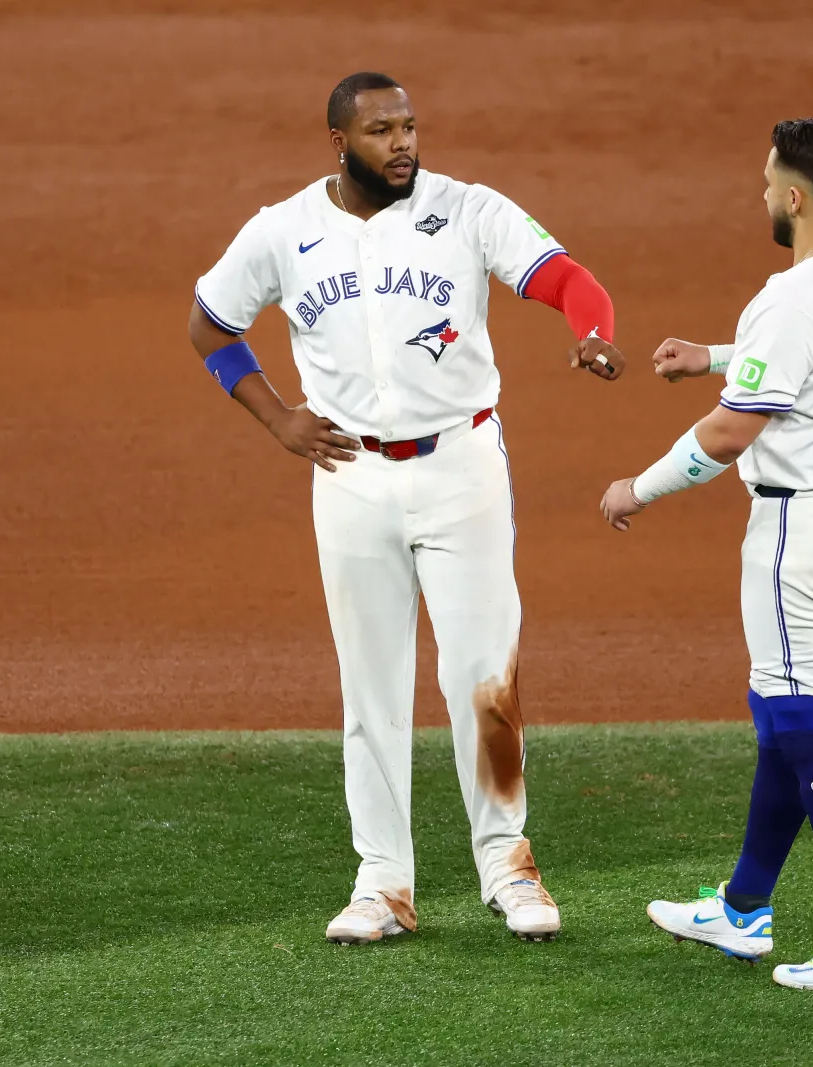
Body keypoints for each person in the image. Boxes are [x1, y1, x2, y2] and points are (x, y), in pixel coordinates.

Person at [189, 72, 625, 944]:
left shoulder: (467, 210)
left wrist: (592, 333)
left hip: (461, 465)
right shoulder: (283, 231)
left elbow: (571, 280)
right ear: (339, 142)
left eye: (411, 127)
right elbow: (209, 324)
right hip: (350, 475)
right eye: (383, 130)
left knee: (485, 677)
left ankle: (508, 867)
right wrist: (277, 418)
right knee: (371, 688)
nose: (404, 145)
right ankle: (383, 883)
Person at [599, 116, 813, 990]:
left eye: (765, 181)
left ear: (794, 196)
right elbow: (810, 359)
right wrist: (712, 355)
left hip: (802, 543)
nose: (759, 193)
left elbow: (732, 434)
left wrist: (640, 486)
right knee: (785, 717)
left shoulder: (788, 295)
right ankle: (743, 910)